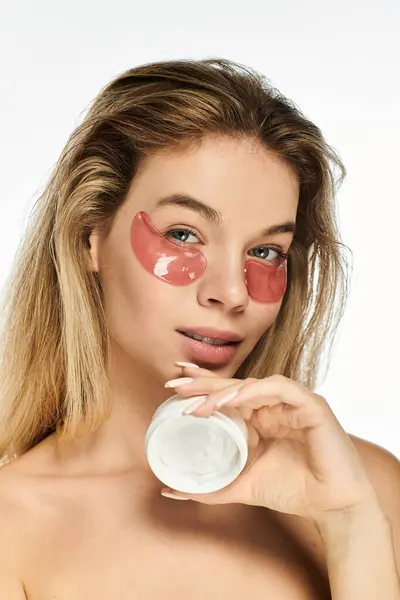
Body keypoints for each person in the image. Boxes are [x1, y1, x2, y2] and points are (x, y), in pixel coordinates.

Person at [0, 57, 399, 600]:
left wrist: (350, 524)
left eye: (264, 251)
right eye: (185, 234)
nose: (231, 292)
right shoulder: (12, 527)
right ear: (90, 236)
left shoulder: (368, 487)